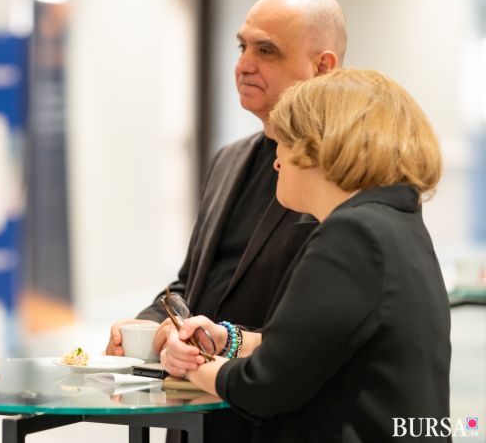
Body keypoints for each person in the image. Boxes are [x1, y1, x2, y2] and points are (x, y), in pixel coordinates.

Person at [104, 0, 346, 440]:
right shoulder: (229, 160)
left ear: (323, 67)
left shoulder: (342, 175)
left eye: (266, 50)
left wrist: (227, 340)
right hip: (199, 415)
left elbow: (328, 326)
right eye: (242, 47)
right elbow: (190, 284)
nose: (244, 65)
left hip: (283, 418)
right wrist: (152, 324)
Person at [161, 68, 450, 442]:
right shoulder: (396, 222)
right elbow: (310, 347)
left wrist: (188, 364)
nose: (276, 161)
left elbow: (261, 386)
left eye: (283, 142)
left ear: (318, 147)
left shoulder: (352, 235)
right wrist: (227, 340)